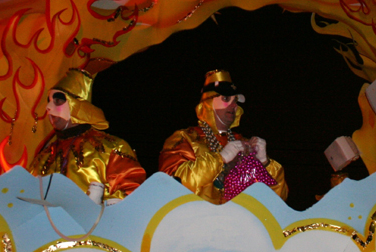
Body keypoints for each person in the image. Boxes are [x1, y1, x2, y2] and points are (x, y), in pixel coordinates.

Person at [158, 70, 288, 204]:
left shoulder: (244, 144)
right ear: (208, 102)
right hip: (196, 220)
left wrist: (265, 163)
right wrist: (220, 159)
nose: (234, 105)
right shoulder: (185, 138)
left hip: (237, 221)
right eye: (226, 99)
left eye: (235, 100)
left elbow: (276, 201)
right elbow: (171, 186)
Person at [28, 69, 146, 203]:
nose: (48, 107)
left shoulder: (111, 148)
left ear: (76, 104)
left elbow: (133, 197)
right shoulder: (43, 157)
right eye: (49, 100)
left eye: (58, 101)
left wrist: (97, 211)